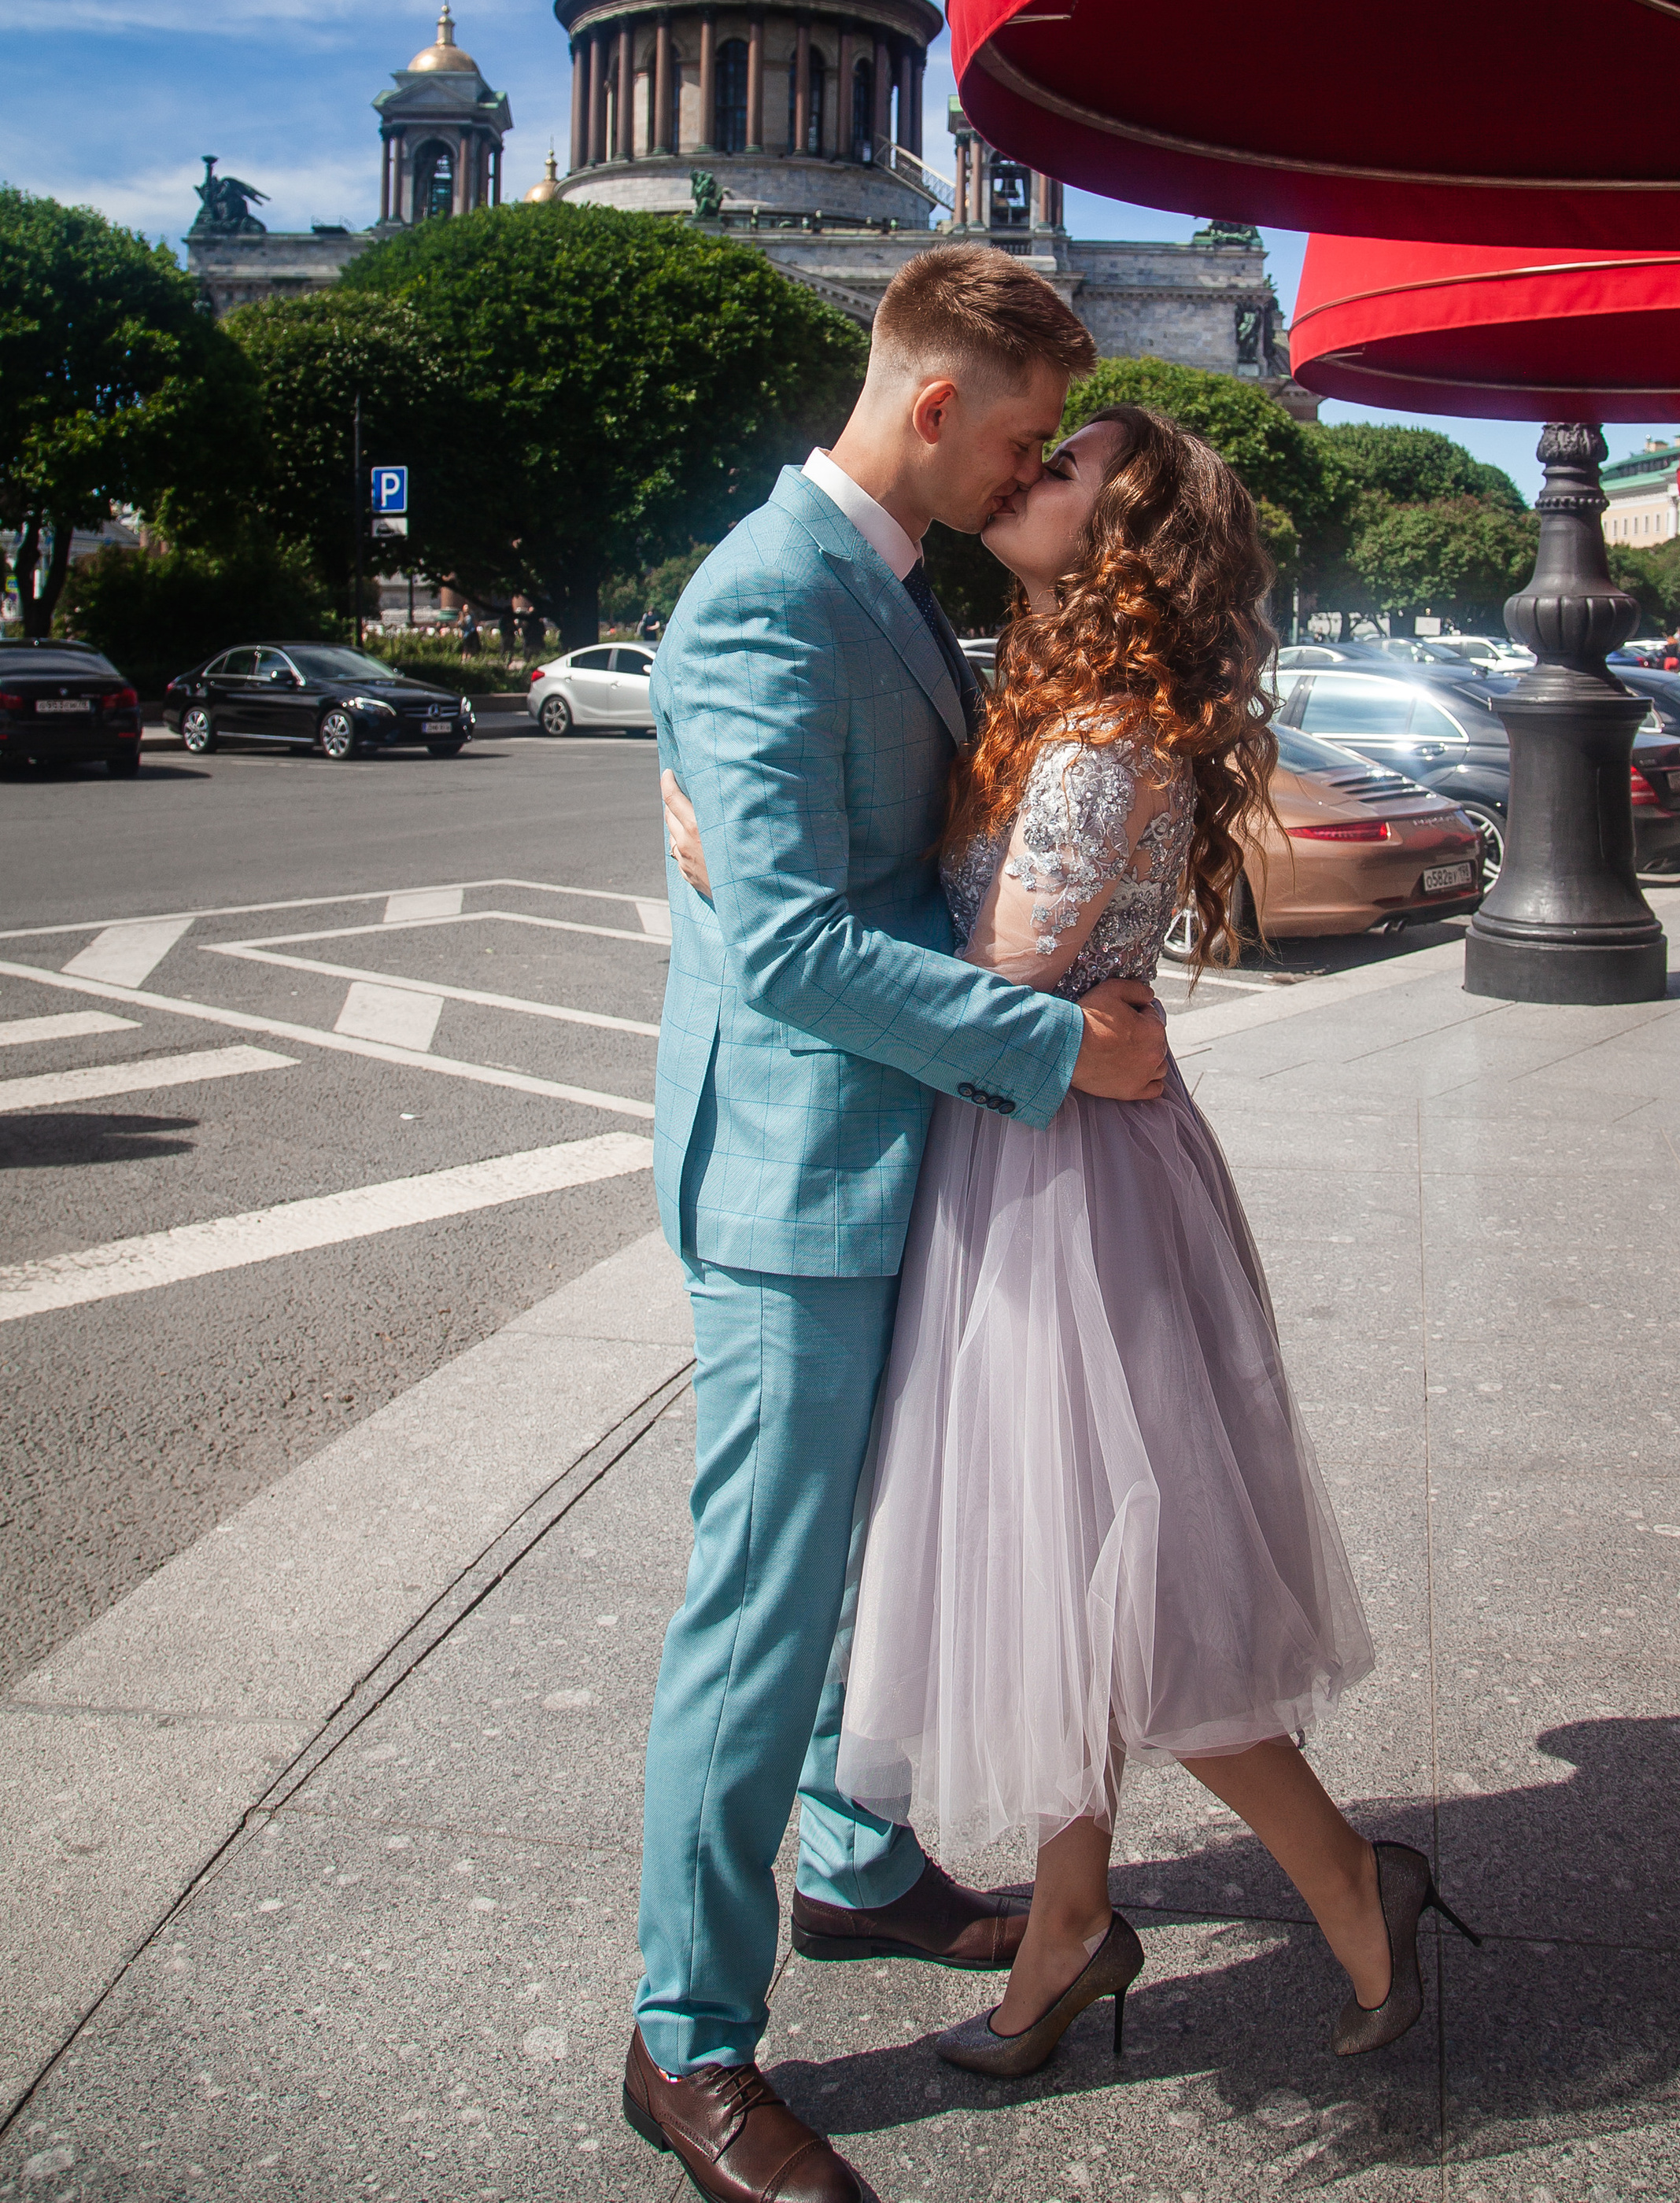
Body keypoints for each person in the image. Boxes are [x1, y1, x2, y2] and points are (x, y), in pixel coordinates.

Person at [833, 407, 1476, 2074]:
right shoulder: (1068, 702)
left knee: (1131, 1569)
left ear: (1122, 540)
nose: (1024, 474)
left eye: (1064, 471)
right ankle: (1067, 1922)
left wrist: (791, 903)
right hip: (1053, 1148)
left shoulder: (1105, 729)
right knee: (1065, 1563)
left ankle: (1345, 1883)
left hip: (1061, 1167)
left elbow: (997, 977)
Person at [623, 251, 1169, 2203]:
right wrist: (1050, 1044)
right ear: (936, 406)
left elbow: (846, 860)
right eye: (1025, 436)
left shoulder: (880, 582)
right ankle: (682, 2037)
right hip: (792, 1176)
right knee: (759, 1607)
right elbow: (781, 939)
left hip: (882, 1143)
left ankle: (849, 1866)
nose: (1037, 473)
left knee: (869, 1560)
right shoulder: (772, 590)